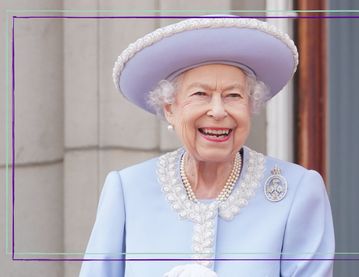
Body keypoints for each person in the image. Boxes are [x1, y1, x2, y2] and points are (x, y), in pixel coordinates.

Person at [80, 15, 335, 277]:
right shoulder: (127, 190)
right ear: (170, 108)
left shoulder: (297, 192)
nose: (218, 110)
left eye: (233, 95)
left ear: (250, 106)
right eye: (200, 94)